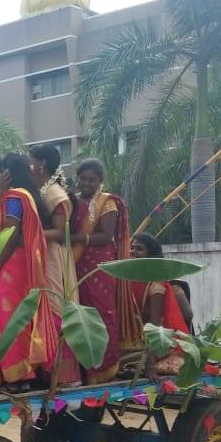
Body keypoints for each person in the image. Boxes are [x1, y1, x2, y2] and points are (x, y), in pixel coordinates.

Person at [0, 153, 54, 390]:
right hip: (18, 265)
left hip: (12, 264)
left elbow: (12, 236)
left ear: (6, 173)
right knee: (7, 316)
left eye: (0, 171)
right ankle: (3, 374)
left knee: (10, 318)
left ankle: (17, 376)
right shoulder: (15, 196)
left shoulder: (14, 198)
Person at [69, 158, 142, 384]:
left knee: (101, 312)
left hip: (98, 266)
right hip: (74, 264)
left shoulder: (106, 202)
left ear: (100, 181)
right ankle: (81, 367)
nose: (86, 183)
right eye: (83, 178)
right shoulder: (72, 201)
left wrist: (75, 238)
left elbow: (106, 236)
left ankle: (105, 367)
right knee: (77, 314)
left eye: (92, 179)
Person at [29, 144, 81, 386]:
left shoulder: (55, 194)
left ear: (41, 165)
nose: (29, 166)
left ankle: (63, 375)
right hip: (40, 254)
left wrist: (30, 233)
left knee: (55, 309)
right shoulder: (40, 190)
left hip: (52, 257)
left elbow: (60, 233)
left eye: (31, 162)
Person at [129, 233, 192, 375]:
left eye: (139, 249)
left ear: (151, 256)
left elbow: (155, 323)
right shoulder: (128, 279)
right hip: (133, 340)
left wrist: (150, 365)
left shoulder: (156, 284)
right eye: (132, 247)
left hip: (154, 344)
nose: (133, 251)